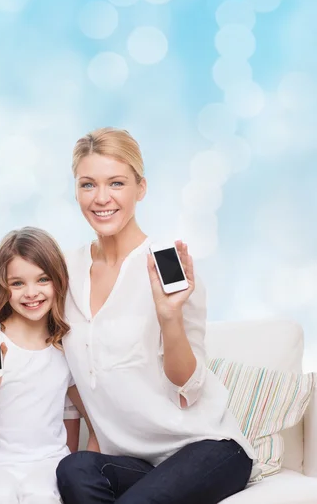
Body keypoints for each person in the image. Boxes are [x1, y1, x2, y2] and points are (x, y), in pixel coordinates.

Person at [56, 127, 257, 504]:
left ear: (140, 188)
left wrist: (169, 316)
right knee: (73, 468)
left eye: (116, 183)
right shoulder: (66, 271)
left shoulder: (165, 264)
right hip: (136, 463)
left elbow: (189, 388)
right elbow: (72, 375)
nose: (101, 198)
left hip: (206, 448)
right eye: (88, 185)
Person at [0, 227, 96, 504]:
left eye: (42, 279)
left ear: (58, 281)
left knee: (42, 496)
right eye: (18, 283)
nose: (31, 293)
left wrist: (87, 461)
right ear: (3, 287)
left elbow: (91, 417)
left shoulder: (64, 345)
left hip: (47, 465)